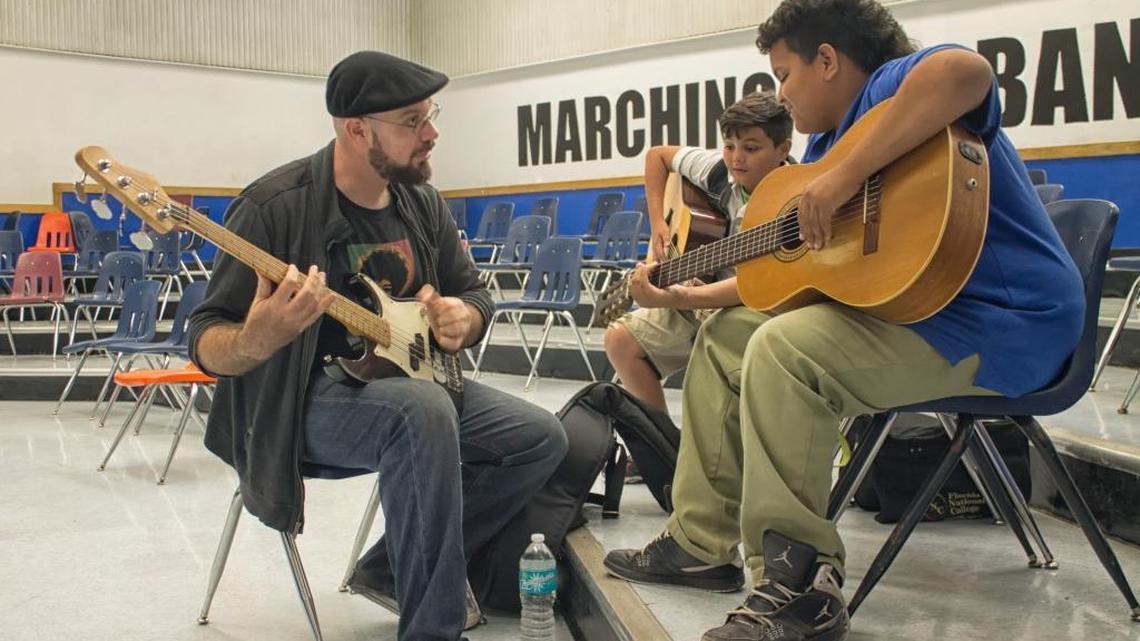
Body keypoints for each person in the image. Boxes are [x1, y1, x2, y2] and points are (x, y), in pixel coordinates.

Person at [603, 1, 1085, 640]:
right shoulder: (826, 149)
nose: (782, 94)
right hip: (917, 317)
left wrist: (843, 180)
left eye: (784, 74)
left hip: (1007, 326)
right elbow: (792, 281)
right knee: (726, 337)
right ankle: (700, 543)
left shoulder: (885, 92)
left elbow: (966, 73)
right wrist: (677, 295)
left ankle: (801, 586)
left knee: (784, 350)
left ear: (827, 60)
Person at [188, 50, 568, 641]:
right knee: (422, 411)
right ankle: (432, 630)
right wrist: (257, 337)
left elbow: (473, 292)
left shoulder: (421, 202)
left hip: (410, 383)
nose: (431, 133)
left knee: (539, 438)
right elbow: (205, 340)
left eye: (430, 115)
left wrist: (464, 318)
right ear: (356, 129)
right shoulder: (273, 208)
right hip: (294, 408)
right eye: (412, 121)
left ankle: (392, 569)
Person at [603, 91, 793, 414]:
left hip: (753, 308)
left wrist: (682, 297)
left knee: (720, 347)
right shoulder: (719, 170)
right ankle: (660, 439)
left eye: (751, 148)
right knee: (619, 340)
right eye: (729, 146)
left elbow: (756, 286)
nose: (736, 158)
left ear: (783, 149)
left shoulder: (793, 199)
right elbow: (657, 157)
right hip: (702, 294)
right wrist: (658, 224)